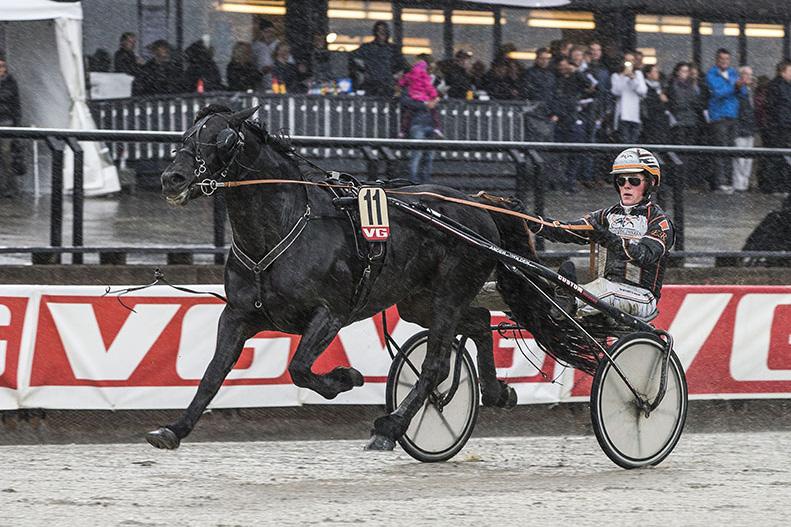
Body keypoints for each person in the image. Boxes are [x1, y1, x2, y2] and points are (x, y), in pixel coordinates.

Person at [528, 148, 675, 320]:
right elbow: (567, 230)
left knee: (605, 288)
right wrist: (529, 219)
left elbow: (644, 255)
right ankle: (548, 301)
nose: (626, 185)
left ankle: (565, 299)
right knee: (599, 287)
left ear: (650, 183)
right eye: (621, 180)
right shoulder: (605, 215)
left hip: (642, 298)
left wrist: (607, 238)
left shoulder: (660, 222)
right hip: (605, 292)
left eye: (634, 181)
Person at [551, 57, 595, 192]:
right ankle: (559, 182)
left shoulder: (576, 79)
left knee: (574, 153)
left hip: (572, 119)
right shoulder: (557, 80)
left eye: (566, 66)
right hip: (561, 120)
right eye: (561, 66)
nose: (563, 69)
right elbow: (554, 98)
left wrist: (577, 72)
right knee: (559, 154)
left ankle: (569, 182)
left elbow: (589, 85)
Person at [706, 48, 746, 194]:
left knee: (731, 151)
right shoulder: (711, 74)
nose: (724, 62)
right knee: (720, 151)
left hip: (732, 116)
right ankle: (720, 182)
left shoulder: (733, 73)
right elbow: (718, 92)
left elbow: (743, 93)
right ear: (717, 60)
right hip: (719, 116)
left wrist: (742, 85)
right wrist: (734, 86)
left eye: (727, 59)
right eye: (722, 59)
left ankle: (729, 181)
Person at [667, 62, 705, 188]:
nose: (685, 74)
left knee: (688, 153)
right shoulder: (673, 85)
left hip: (691, 121)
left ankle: (686, 179)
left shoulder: (691, 86)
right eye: (683, 71)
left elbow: (697, 102)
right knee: (679, 152)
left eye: (687, 71)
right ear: (677, 72)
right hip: (679, 122)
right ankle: (679, 180)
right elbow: (677, 103)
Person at [350, 21, 408, 97]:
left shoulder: (393, 49)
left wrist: (396, 77)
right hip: (371, 84)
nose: (381, 33)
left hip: (387, 85)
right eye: (379, 30)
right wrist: (362, 72)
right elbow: (352, 58)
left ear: (387, 32)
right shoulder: (367, 48)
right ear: (375, 32)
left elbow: (403, 66)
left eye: (384, 30)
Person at [764, 59, 791, 194]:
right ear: (783, 71)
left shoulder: (783, 86)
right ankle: (775, 185)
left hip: (783, 127)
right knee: (778, 156)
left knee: (782, 156)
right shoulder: (777, 86)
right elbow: (774, 107)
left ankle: (780, 185)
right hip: (779, 128)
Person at [398, 56, 442, 138]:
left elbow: (402, 82)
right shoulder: (424, 83)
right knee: (419, 148)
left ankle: (403, 131)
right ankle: (437, 128)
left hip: (427, 124)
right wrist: (428, 103)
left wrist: (432, 102)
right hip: (418, 124)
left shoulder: (411, 79)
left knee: (425, 149)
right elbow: (406, 101)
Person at [611, 51, 647, 143]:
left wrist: (633, 79)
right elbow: (616, 91)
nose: (629, 63)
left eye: (631, 60)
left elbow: (642, 91)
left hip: (635, 113)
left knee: (634, 142)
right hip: (622, 114)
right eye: (627, 60)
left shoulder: (638, 74)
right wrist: (623, 76)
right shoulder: (616, 76)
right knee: (624, 141)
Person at [733, 66, 756, 192]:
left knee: (748, 159)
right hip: (741, 127)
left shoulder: (750, 91)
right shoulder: (739, 90)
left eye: (750, 74)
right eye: (746, 74)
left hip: (749, 127)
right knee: (740, 159)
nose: (749, 77)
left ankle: (745, 184)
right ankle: (739, 185)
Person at [0, 55, 21, 198]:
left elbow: (10, 100)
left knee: (6, 156)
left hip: (5, 122)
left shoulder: (9, 82)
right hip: (6, 119)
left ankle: (10, 188)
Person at [640, 64, 671, 144]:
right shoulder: (644, 87)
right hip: (651, 119)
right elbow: (649, 101)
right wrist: (658, 98)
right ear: (648, 74)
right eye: (655, 71)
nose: (657, 73)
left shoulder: (660, 86)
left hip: (662, 119)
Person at [252, 19, 280, 91]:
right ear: (261, 32)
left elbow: (289, 62)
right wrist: (260, 72)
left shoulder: (279, 45)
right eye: (267, 32)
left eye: (272, 32)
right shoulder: (256, 46)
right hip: (261, 84)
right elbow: (252, 64)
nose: (270, 34)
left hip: (277, 84)